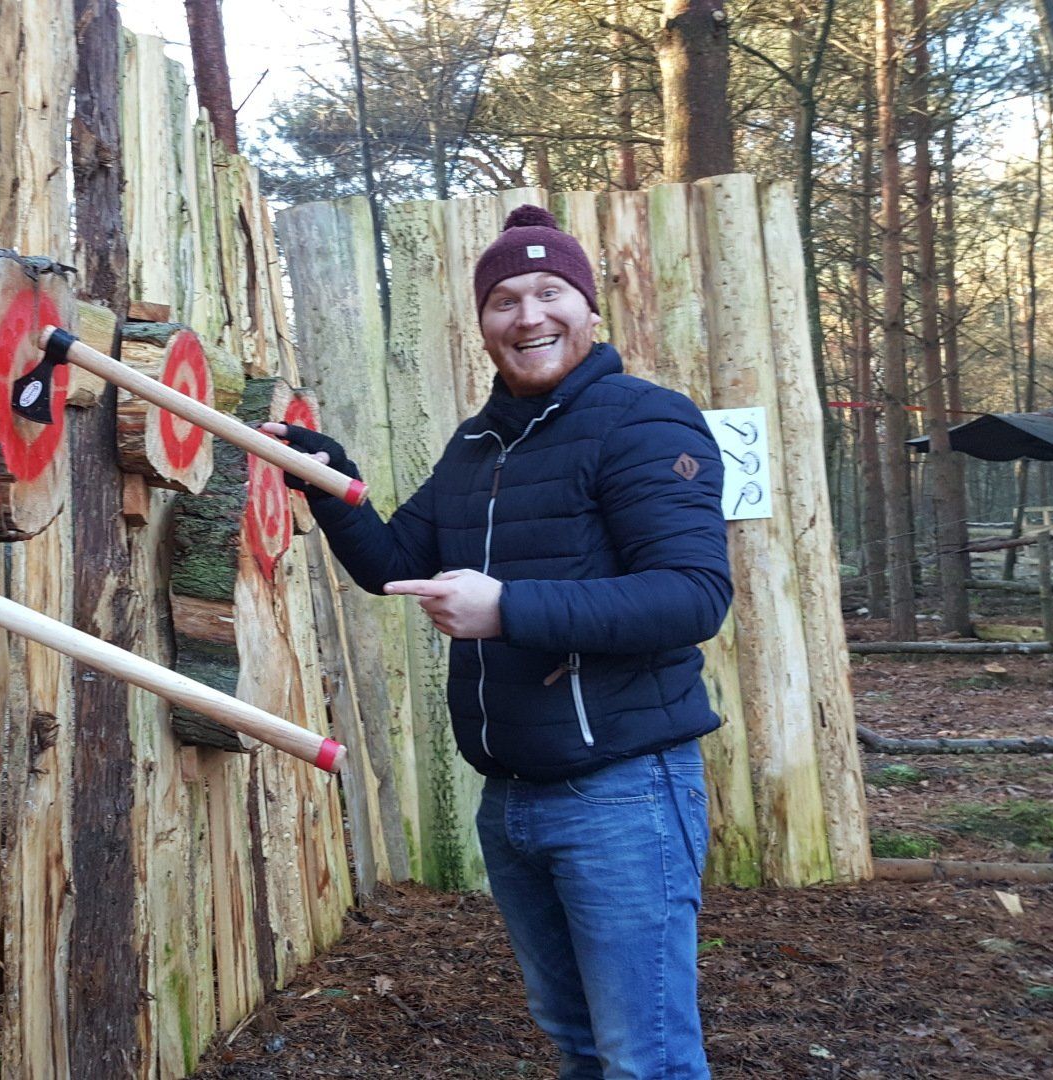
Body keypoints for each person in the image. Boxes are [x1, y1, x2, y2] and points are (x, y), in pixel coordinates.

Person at [263, 204, 730, 1079]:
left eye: (550, 293)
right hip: (510, 795)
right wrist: (324, 477)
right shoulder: (477, 445)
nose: (528, 317)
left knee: (647, 1057)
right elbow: (395, 563)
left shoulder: (646, 422)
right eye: (504, 300)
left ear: (590, 309)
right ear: (482, 324)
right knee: (580, 1043)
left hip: (623, 790)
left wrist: (507, 608)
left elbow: (692, 596)